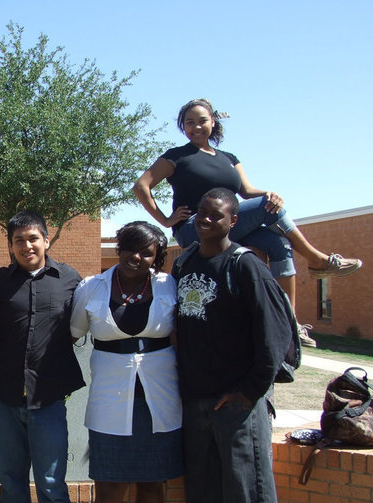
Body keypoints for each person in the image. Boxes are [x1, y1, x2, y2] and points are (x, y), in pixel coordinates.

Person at [133, 98, 362, 347]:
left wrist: (271, 194)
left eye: (202, 121)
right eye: (189, 123)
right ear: (183, 127)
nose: (196, 127)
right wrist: (166, 220)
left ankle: (288, 321)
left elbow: (247, 191)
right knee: (268, 208)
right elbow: (141, 186)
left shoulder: (229, 158)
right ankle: (318, 260)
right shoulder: (176, 157)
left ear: (213, 122)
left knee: (278, 241)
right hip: (196, 229)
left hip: (230, 226)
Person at [172, 188, 292, 503]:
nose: (206, 220)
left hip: (237, 403)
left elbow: (274, 337)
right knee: (209, 486)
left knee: (249, 488)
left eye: (216, 215)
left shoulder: (245, 267)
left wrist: (248, 391)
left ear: (233, 221)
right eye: (202, 213)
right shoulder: (185, 262)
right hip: (196, 397)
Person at [70, 221, 183, 503]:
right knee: (109, 487)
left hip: (159, 399)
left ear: (157, 256)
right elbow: (73, 331)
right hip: (110, 400)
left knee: (153, 484)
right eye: (130, 248)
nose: (137, 257)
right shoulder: (92, 287)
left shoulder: (170, 286)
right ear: (118, 248)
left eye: (146, 251)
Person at [0, 211, 84, 503]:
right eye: (18, 240)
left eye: (33, 239)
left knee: (51, 487)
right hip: (4, 396)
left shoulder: (70, 280)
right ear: (9, 246)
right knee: (11, 484)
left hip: (47, 401)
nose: (27, 246)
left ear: (46, 240)